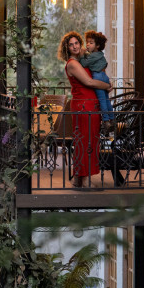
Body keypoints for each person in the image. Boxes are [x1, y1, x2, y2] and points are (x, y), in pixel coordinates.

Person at [59, 31, 111, 189]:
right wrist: (107, 86)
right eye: (71, 44)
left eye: (77, 43)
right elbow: (89, 82)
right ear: (66, 48)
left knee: (87, 142)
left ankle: (78, 179)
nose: (75, 46)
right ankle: (86, 180)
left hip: (90, 105)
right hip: (84, 106)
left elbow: (92, 56)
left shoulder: (80, 59)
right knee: (85, 143)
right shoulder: (73, 64)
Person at [81, 31, 115, 120]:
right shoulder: (100, 54)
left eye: (91, 43)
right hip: (104, 76)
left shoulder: (93, 56)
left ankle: (106, 120)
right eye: (87, 42)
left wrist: (81, 55)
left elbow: (84, 64)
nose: (87, 45)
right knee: (107, 100)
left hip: (97, 77)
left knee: (102, 100)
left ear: (97, 46)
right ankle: (112, 118)